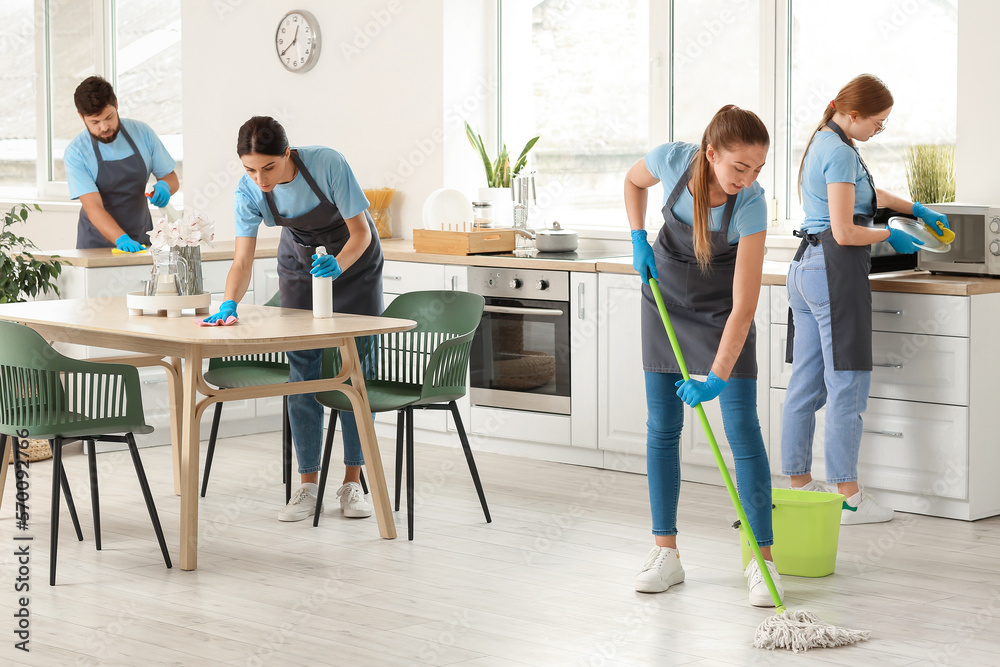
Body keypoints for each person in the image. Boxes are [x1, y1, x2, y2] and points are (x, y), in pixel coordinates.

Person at [625, 105, 780, 607]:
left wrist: (716, 376)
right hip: (664, 301)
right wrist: (637, 236)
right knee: (662, 427)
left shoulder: (751, 205)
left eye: (757, 168)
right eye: (740, 166)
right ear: (711, 153)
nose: (748, 178)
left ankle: (763, 561)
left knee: (742, 431)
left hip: (721, 315)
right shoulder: (672, 161)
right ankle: (664, 553)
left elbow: (745, 305)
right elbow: (632, 181)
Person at [780, 74, 949, 525]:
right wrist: (890, 235)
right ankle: (850, 499)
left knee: (807, 385)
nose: (879, 130)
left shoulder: (829, 141)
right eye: (877, 122)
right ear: (851, 114)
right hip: (832, 271)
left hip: (804, 269)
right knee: (847, 385)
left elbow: (866, 197)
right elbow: (845, 231)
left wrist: (915, 209)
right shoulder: (837, 150)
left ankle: (799, 486)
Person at [201, 116, 381, 522]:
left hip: (355, 260)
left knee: (356, 371)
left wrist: (339, 265)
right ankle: (307, 485)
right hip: (300, 264)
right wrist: (228, 303)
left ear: (287, 153)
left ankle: (353, 482)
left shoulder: (327, 164)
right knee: (303, 372)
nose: (260, 179)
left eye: (268, 167)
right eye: (250, 169)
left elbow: (361, 233)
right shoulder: (249, 191)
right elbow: (243, 260)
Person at [65, 76, 179, 250]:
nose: (104, 127)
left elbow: (171, 178)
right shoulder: (77, 153)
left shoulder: (143, 133)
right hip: (96, 245)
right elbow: (93, 207)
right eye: (95, 122)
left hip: (143, 238)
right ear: (81, 117)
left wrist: (165, 186)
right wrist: (121, 239)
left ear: (116, 104)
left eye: (108, 117)